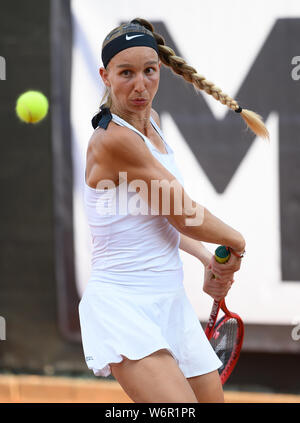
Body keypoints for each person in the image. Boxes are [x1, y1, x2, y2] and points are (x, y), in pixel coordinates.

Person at [79, 18, 268, 403]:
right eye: (126, 73)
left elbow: (158, 217)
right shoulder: (114, 141)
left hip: (170, 303)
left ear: (159, 70)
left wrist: (204, 257)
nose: (140, 84)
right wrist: (237, 241)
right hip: (123, 306)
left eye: (148, 71)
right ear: (105, 75)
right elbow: (182, 212)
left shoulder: (155, 125)